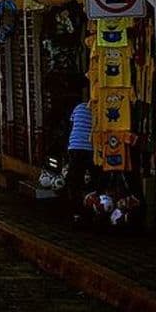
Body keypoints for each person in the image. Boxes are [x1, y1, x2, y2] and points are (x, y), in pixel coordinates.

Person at [67, 90, 95, 221]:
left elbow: (72, 126)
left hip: (75, 146)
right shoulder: (97, 110)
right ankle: (90, 207)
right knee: (93, 179)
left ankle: (76, 212)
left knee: (75, 180)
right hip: (90, 148)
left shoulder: (78, 108)